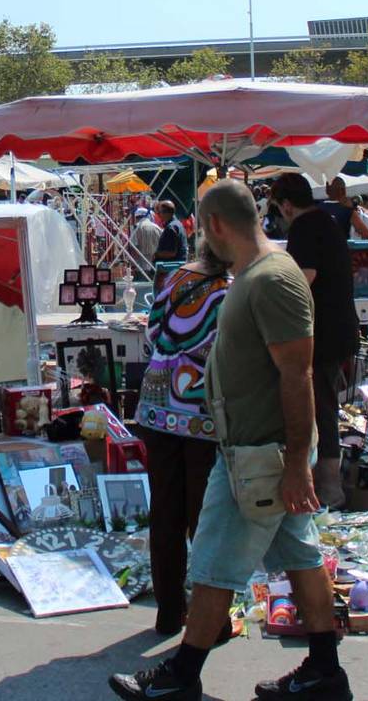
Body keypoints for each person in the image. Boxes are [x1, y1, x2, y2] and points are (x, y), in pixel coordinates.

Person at [110, 179, 349, 701]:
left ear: (214, 225)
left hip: (259, 453)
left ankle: (182, 674)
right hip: (258, 449)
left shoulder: (271, 279)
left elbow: (298, 372)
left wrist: (293, 465)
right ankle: (325, 671)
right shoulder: (256, 274)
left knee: (215, 561)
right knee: (302, 555)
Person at [138, 238, 232, 637]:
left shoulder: (175, 278)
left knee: (165, 513)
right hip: (199, 413)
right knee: (204, 518)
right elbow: (224, 350)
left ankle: (168, 611)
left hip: (157, 405)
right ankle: (212, 619)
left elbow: (153, 330)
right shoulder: (225, 293)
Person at [271, 174, 358, 509]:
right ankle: (326, 483)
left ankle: (329, 487)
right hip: (337, 329)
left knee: (320, 408)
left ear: (287, 204)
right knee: (323, 406)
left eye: (279, 208)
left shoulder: (305, 227)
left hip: (322, 334)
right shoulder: (327, 221)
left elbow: (303, 280)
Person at [153, 201, 189, 268]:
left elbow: (171, 253)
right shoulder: (177, 223)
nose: (158, 214)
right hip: (177, 264)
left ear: (166, 213)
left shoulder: (171, 227)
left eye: (159, 212)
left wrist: (156, 254)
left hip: (171, 267)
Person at [130, 207, 163, 275]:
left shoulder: (136, 228)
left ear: (136, 217)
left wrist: (133, 265)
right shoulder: (157, 228)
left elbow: (134, 247)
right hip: (155, 265)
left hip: (141, 267)